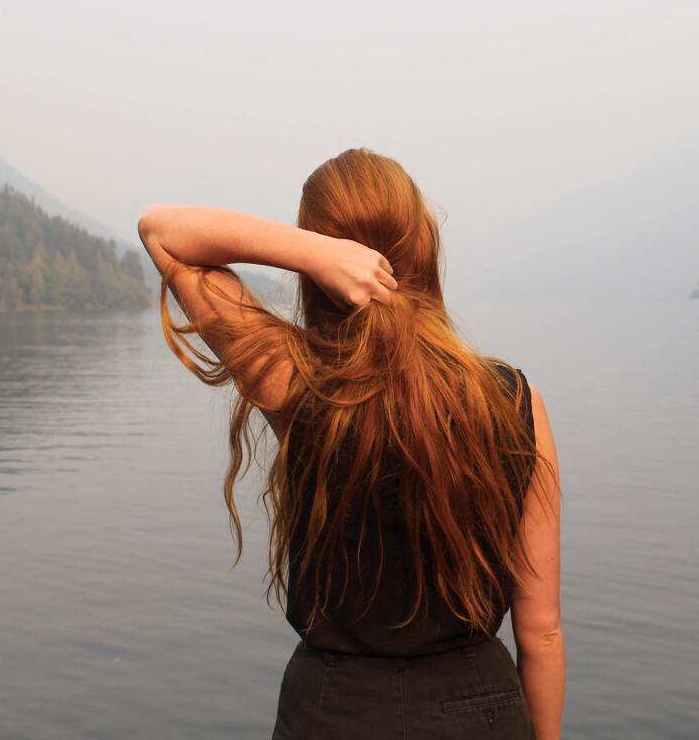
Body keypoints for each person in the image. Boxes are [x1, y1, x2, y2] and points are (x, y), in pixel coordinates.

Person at [137, 148, 564, 739]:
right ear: (425, 249)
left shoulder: (294, 382)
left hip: (334, 711)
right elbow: (540, 632)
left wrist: (312, 253)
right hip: (482, 709)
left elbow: (162, 231)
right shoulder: (514, 400)